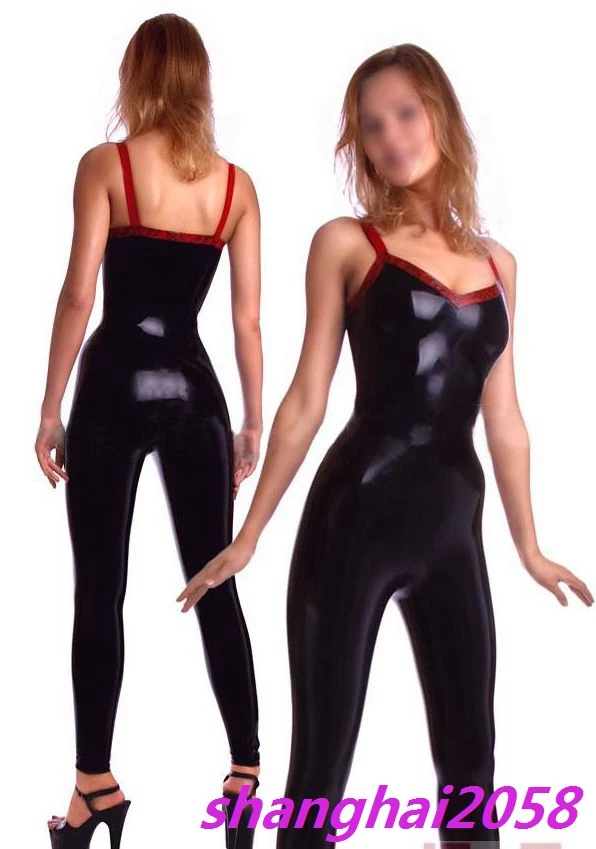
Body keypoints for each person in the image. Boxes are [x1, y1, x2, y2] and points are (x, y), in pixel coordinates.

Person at [176, 43, 594, 849]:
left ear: (440, 114)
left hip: (454, 531)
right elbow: (306, 399)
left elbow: (505, 418)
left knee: (472, 779)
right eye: (372, 127)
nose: (392, 137)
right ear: (359, 146)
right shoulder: (348, 243)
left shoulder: (499, 265)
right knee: (318, 780)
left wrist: (529, 546)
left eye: (405, 113)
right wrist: (249, 533)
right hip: (352, 523)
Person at [35, 14, 262, 849]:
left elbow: (78, 294)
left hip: (114, 385)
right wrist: (252, 419)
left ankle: (94, 784)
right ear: (200, 81)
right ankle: (245, 772)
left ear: (137, 76)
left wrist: (50, 406)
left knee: (99, 589)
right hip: (196, 389)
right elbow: (246, 320)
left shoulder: (109, 166)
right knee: (216, 579)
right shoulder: (236, 188)